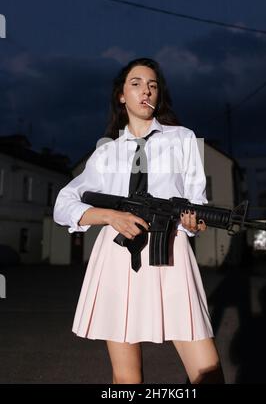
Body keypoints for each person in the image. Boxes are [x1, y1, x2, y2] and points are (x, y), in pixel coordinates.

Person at [53, 57, 224, 384]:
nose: (146, 90)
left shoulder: (183, 139)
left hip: (170, 257)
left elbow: (197, 203)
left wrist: (193, 223)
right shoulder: (106, 152)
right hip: (117, 260)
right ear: (121, 96)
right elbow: (64, 203)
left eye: (153, 85)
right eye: (136, 83)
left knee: (208, 373)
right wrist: (110, 216)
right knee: (127, 380)